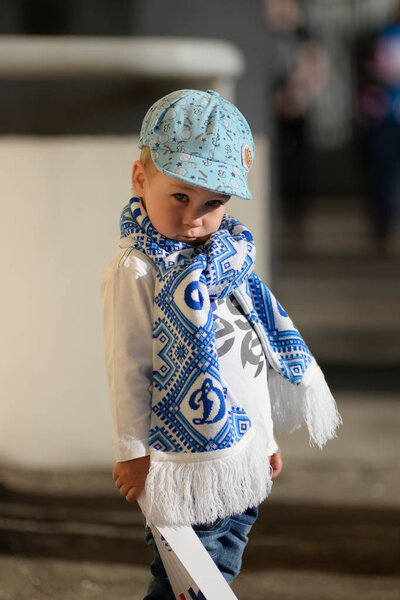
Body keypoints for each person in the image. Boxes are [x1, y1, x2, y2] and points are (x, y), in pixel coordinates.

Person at [100, 89, 342, 599]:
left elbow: (249, 358)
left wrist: (266, 440)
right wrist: (132, 451)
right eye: (180, 197)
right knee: (195, 578)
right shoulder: (138, 269)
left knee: (217, 563)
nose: (195, 218)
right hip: (185, 461)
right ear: (141, 179)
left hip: (240, 452)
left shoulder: (226, 258)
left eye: (213, 203)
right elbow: (128, 367)